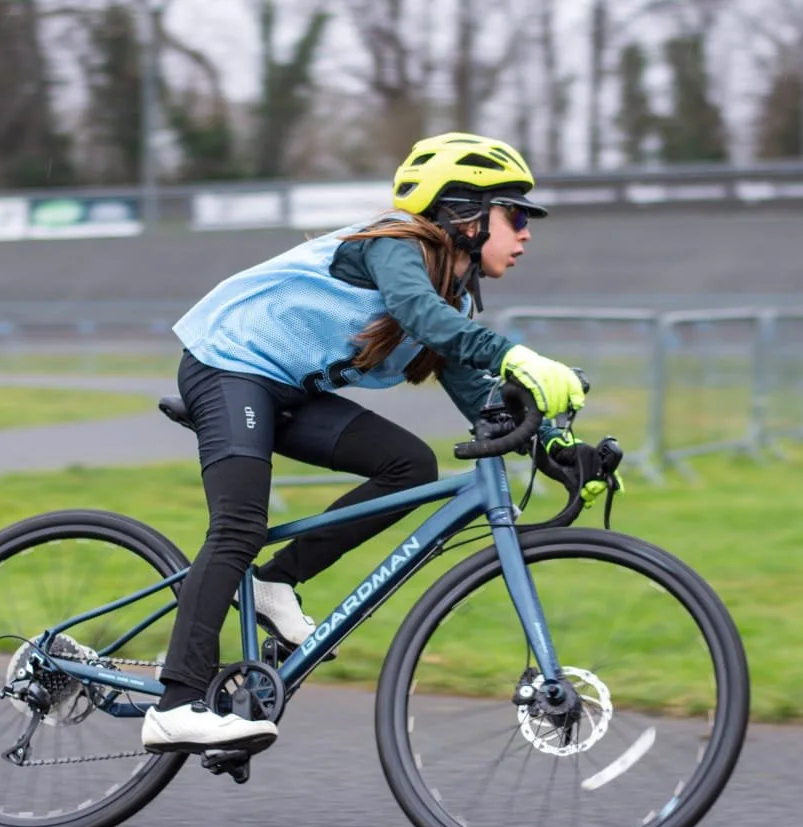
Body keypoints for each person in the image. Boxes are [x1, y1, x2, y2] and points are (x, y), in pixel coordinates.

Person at [142, 131, 587, 755]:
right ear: (464, 212)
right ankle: (175, 704)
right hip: (228, 367)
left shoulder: (450, 294)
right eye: (515, 215)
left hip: (284, 390)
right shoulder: (394, 247)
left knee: (410, 465)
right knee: (239, 524)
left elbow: (479, 398)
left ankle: (275, 583)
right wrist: (517, 355)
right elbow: (422, 315)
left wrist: (558, 451)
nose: (526, 233)